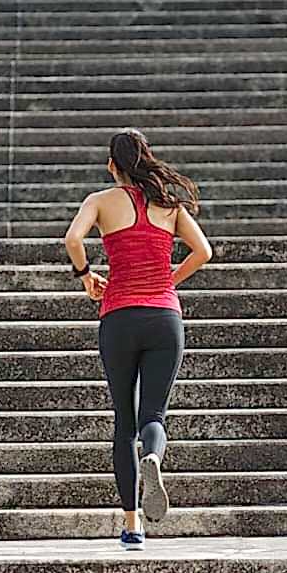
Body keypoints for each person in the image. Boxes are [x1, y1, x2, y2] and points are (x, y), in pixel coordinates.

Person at [62, 128, 213, 551]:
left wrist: (86, 276)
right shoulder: (170, 205)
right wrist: (168, 279)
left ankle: (132, 526)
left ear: (112, 165)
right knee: (154, 416)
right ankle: (155, 457)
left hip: (119, 316)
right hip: (164, 317)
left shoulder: (100, 201)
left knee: (123, 423)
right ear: (145, 159)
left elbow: (73, 240)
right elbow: (204, 251)